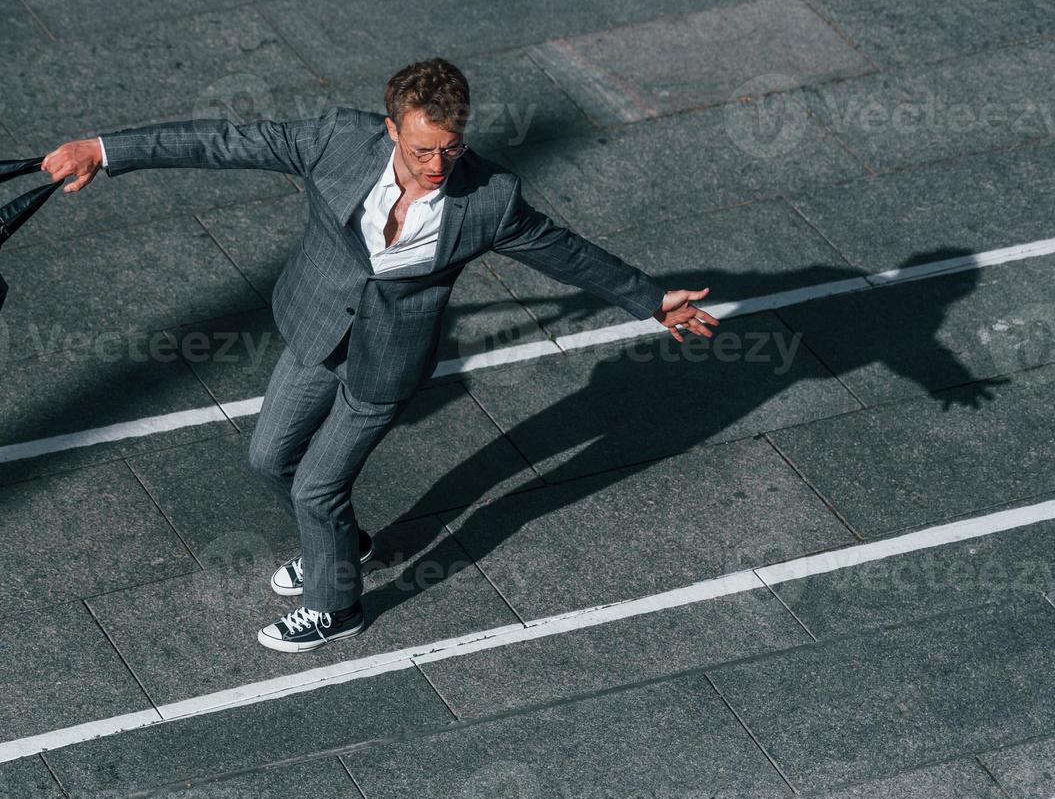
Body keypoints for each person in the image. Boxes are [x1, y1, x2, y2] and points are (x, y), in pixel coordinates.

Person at [42, 58, 717, 653]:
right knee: (267, 459)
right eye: (423, 149)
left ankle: (336, 607)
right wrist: (104, 149)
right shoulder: (337, 141)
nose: (437, 166)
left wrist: (652, 301)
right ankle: (339, 546)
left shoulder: (489, 199)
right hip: (316, 329)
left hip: (386, 363)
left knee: (316, 486)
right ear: (391, 128)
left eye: (451, 149)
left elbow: (567, 253)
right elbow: (223, 141)